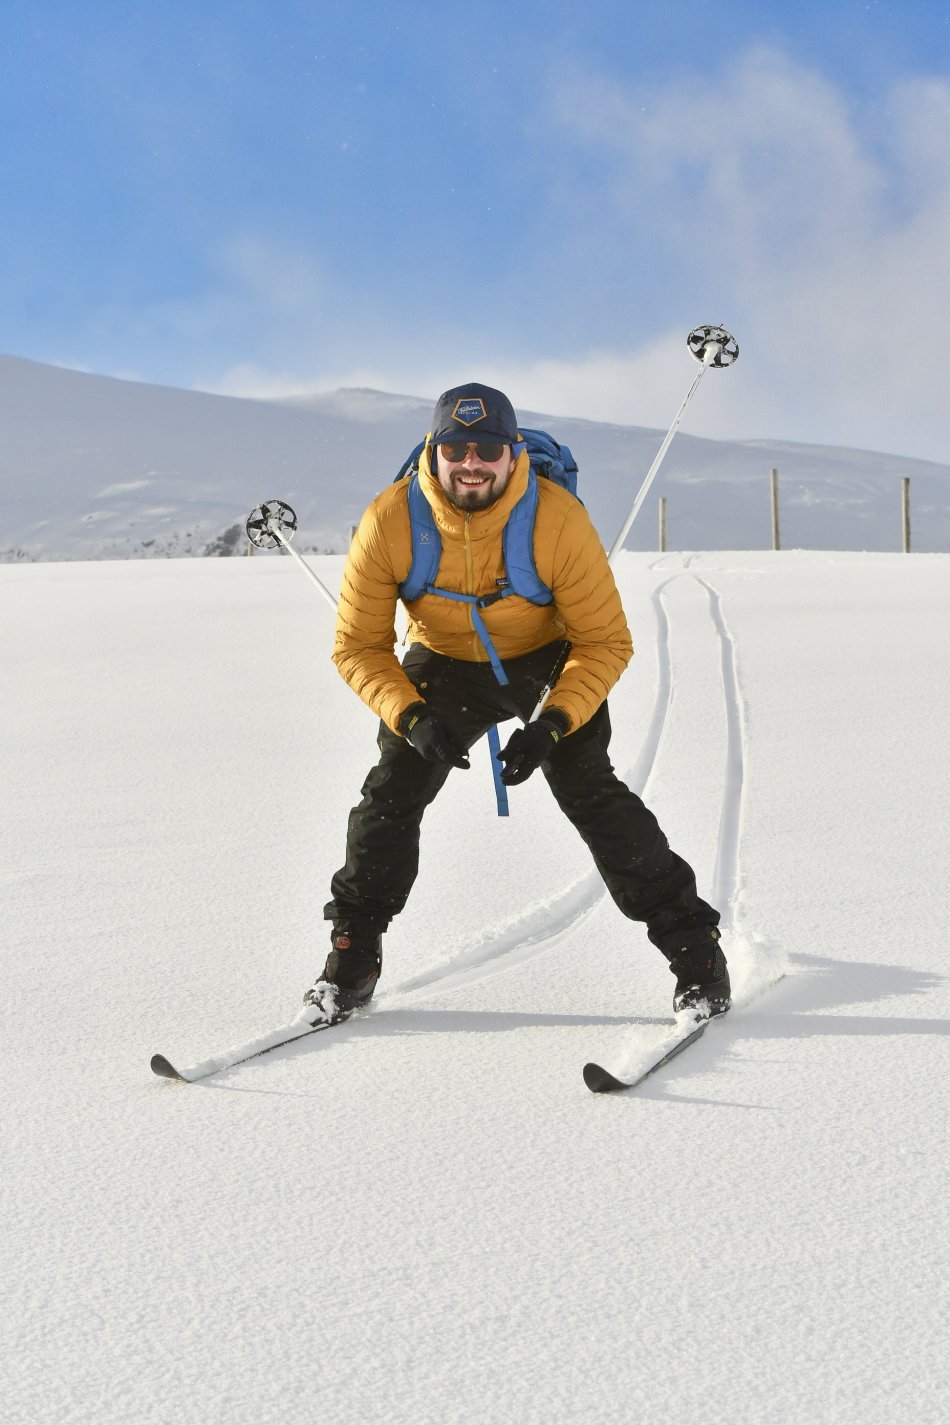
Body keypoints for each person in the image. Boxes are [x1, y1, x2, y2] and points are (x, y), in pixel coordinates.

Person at [302, 381, 728, 1024]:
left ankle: (695, 954)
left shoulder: (557, 519)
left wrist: (555, 723)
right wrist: (411, 717)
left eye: (487, 449)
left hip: (547, 656)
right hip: (444, 661)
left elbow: (605, 640)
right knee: (392, 788)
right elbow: (357, 646)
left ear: (512, 453)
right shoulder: (388, 519)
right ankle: (352, 957)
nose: (471, 462)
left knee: (587, 787)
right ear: (434, 450)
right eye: (456, 448)